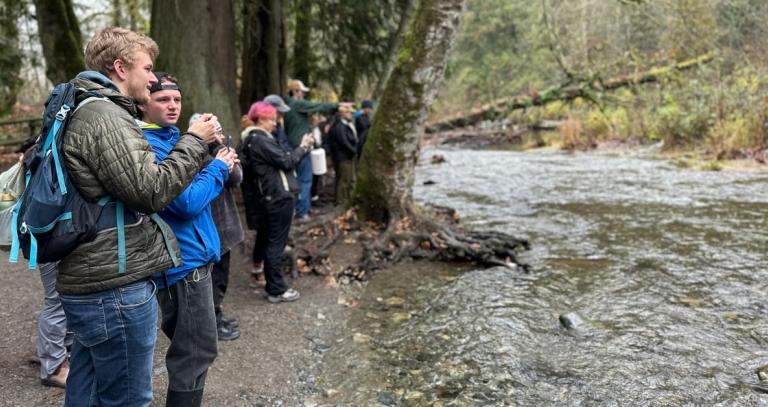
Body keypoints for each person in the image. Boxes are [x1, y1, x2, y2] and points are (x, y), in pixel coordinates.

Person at [56, 27, 218, 407]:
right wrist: (195, 140)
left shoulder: (83, 106)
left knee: (89, 386)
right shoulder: (104, 115)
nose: (151, 76)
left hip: (93, 276)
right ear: (119, 68)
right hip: (113, 283)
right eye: (147, 68)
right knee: (127, 398)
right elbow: (151, 192)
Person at [139, 73, 236, 405]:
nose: (172, 106)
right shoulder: (148, 143)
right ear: (143, 104)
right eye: (163, 100)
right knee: (194, 352)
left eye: (177, 100)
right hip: (182, 264)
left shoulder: (173, 138)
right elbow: (186, 203)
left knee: (195, 349)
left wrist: (214, 160)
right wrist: (218, 168)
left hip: (195, 259)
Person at [243, 102, 314, 303]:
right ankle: (276, 289)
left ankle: (266, 277)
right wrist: (304, 147)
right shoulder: (260, 140)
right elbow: (286, 160)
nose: (274, 124)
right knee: (276, 244)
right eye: (272, 120)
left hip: (267, 198)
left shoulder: (248, 140)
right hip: (278, 198)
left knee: (267, 240)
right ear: (262, 120)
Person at [189, 112, 244, 342]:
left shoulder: (218, 152)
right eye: (214, 130)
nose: (218, 134)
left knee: (220, 280)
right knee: (211, 280)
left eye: (220, 130)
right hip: (211, 229)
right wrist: (221, 162)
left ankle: (217, 314)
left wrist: (227, 156)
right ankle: (211, 324)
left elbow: (238, 177)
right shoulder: (195, 154)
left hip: (226, 226)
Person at [283, 80, 338, 221]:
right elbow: (317, 106)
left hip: (293, 148)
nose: (304, 95)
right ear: (295, 92)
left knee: (297, 180)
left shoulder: (288, 106)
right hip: (302, 148)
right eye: (302, 91)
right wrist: (338, 105)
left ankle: (298, 209)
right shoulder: (297, 104)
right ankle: (303, 211)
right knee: (305, 180)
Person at [37, 262, 71, 388]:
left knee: (70, 297)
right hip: (53, 245)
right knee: (58, 300)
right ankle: (54, 367)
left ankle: (63, 354)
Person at [327, 104, 359, 205]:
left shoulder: (347, 125)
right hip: (343, 157)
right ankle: (341, 202)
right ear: (343, 114)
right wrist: (354, 151)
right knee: (344, 180)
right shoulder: (340, 126)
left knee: (350, 179)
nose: (351, 115)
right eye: (349, 113)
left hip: (348, 156)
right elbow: (343, 142)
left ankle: (348, 199)